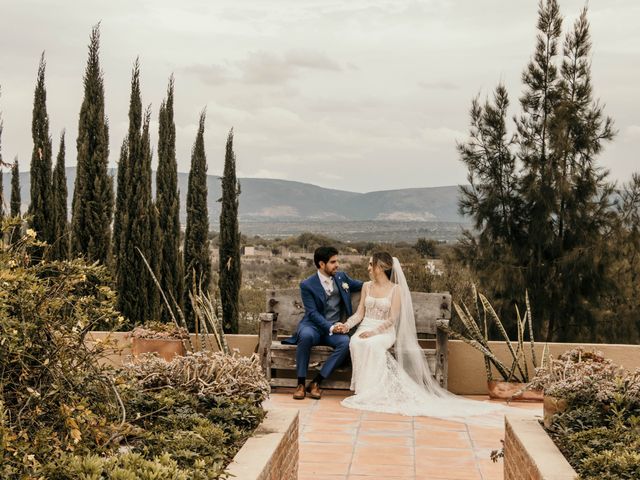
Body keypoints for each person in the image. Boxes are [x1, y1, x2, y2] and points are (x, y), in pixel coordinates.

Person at [336, 252, 505, 421]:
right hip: (365, 327)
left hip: (384, 332)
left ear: (380, 268)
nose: (368, 268)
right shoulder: (366, 286)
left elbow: (392, 318)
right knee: (356, 342)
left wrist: (374, 332)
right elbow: (359, 314)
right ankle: (364, 389)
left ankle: (374, 390)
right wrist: (347, 325)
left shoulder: (396, 289)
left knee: (372, 344)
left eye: (370, 264)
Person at [282, 246, 363, 400]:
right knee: (305, 336)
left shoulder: (342, 278)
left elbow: (364, 285)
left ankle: (316, 382)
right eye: (333, 262)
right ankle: (300, 384)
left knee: (345, 343)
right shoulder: (307, 285)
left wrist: (384, 277)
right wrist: (331, 327)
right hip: (313, 326)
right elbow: (312, 313)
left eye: (337, 261)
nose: (337, 265)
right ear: (321, 264)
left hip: (334, 330)